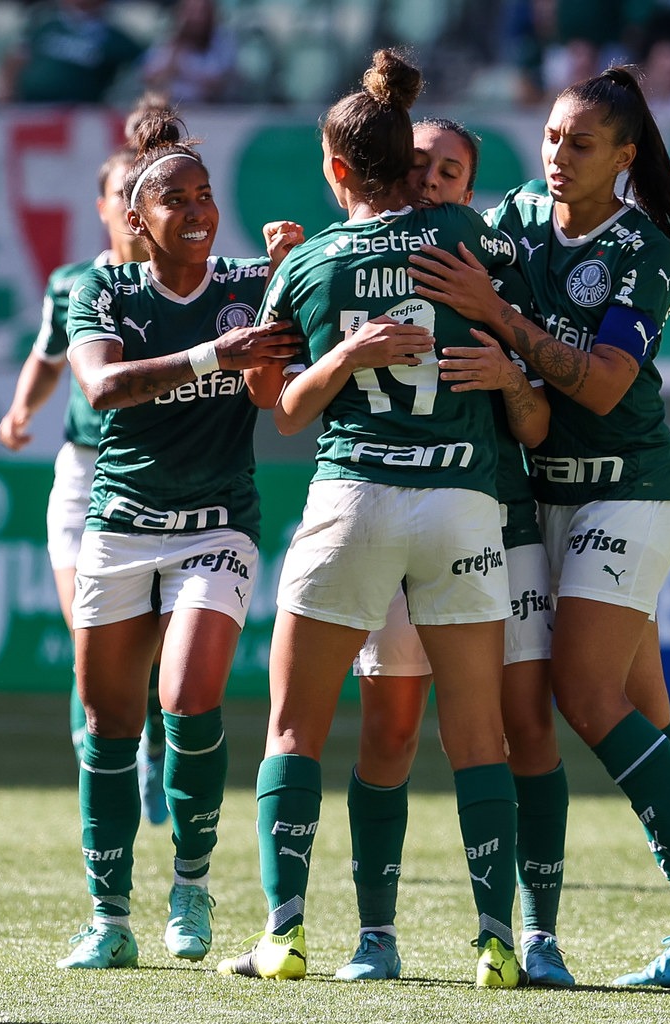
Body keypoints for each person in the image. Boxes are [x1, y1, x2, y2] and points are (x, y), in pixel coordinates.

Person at [406, 65, 670, 989]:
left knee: (583, 692)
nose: (557, 157)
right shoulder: (523, 216)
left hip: (628, 490)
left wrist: (499, 319)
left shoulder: (642, 250)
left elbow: (606, 384)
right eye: (551, 138)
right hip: (543, 494)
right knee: (643, 712)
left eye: (580, 144)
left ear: (625, 155)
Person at [217, 49, 536, 989]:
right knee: (479, 735)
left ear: (338, 170)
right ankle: (493, 944)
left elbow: (280, 409)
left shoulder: (313, 260)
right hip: (464, 502)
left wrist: (344, 346)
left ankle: (284, 935)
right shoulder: (470, 239)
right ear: (412, 159)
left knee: (294, 729)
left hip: (353, 498)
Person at [55, 104, 301, 969]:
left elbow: (273, 393)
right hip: (121, 525)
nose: (199, 211)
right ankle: (108, 918)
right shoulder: (104, 290)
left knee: (190, 698)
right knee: (106, 725)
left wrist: (287, 280)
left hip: (217, 526)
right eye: (177, 201)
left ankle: (191, 883)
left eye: (206, 195)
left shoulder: (244, 284)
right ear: (137, 219)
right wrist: (213, 358)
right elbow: (104, 387)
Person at [333, 116, 571, 988]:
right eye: (419, 164)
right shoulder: (355, 261)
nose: (432, 178)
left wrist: (512, 375)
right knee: (390, 728)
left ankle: (535, 936)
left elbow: (540, 427)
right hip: (391, 525)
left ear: (470, 189)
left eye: (450, 169)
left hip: (501, 526)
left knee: (525, 727)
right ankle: (376, 934)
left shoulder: (492, 276)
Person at [0, 134, 174, 825]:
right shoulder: (73, 283)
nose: (133, 205)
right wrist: (20, 411)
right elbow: (48, 357)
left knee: (148, 649)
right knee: (92, 638)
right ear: (104, 206)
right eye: (122, 192)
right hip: (83, 471)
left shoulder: (181, 282)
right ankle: (104, 768)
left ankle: (155, 749)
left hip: (155, 476)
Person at [0, 0, 144, 105]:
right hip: (29, 107)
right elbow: (15, 59)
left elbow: (149, 68)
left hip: (78, 113)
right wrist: (6, 90)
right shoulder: (46, 24)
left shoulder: (114, 37)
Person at [140, 0, 237, 105]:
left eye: (201, 12)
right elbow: (148, 77)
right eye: (190, 11)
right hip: (172, 108)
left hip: (213, 111)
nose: (195, 17)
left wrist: (185, 70)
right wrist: (171, 62)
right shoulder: (169, 40)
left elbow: (221, 83)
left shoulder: (223, 41)